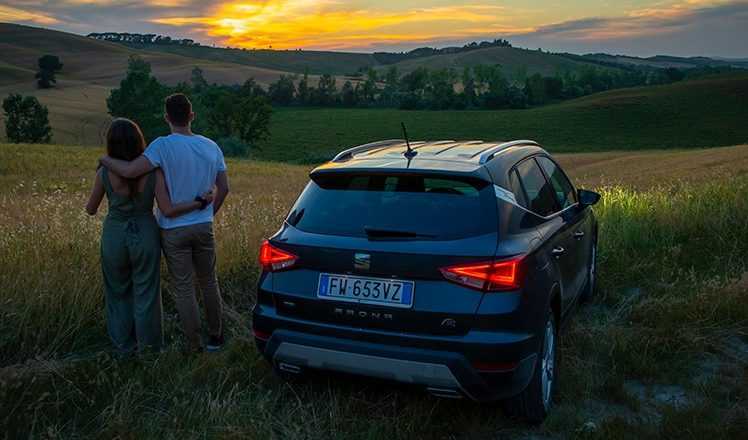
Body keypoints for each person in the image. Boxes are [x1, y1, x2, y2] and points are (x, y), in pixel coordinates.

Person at [99, 94, 230, 353]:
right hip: (203, 226)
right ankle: (216, 337)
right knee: (209, 282)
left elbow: (129, 171)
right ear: (192, 116)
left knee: (184, 287)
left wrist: (104, 160)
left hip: (173, 229)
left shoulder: (161, 146)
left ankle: (194, 345)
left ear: (166, 117)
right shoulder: (211, 146)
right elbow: (224, 188)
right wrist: (207, 215)